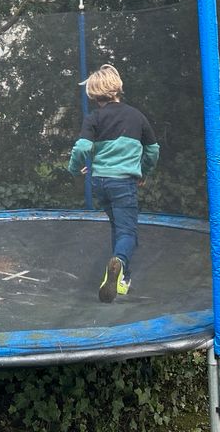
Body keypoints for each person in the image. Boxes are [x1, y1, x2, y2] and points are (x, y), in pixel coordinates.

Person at [67, 64, 159, 303]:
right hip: (123, 183)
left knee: (117, 228)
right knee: (128, 232)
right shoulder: (136, 116)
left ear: (93, 93)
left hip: (99, 182)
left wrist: (75, 167)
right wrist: (144, 171)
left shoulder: (94, 117)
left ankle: (121, 279)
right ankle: (119, 262)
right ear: (118, 87)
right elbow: (152, 150)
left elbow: (83, 147)